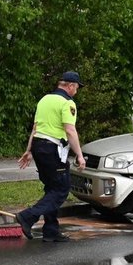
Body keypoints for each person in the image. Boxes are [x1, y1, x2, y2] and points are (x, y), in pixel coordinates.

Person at [16, 71, 86, 242]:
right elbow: (70, 130)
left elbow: (35, 127)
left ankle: (51, 231)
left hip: (40, 147)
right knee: (61, 189)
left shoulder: (44, 99)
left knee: (52, 189)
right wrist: (80, 155)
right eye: (76, 88)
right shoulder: (67, 103)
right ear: (70, 86)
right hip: (52, 149)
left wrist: (29, 150)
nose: (76, 91)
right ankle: (28, 216)